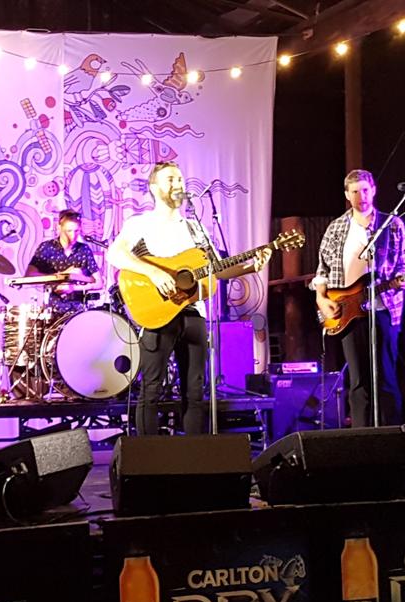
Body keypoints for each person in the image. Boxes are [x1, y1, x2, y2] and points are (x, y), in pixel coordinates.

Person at [106, 161, 269, 435]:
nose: (178, 184)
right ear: (154, 188)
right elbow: (115, 255)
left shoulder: (196, 228)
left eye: (180, 179)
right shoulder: (140, 223)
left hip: (194, 313)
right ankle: (148, 461)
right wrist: (154, 274)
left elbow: (217, 269)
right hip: (156, 315)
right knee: (151, 390)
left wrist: (251, 265)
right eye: (170, 179)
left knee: (195, 391)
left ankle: (194, 459)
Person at [26, 209, 102, 315]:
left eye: (76, 231)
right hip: (53, 310)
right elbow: (30, 275)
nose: (73, 235)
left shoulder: (83, 249)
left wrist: (73, 288)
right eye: (69, 231)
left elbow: (99, 283)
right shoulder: (47, 247)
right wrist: (59, 277)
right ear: (59, 228)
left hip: (79, 311)